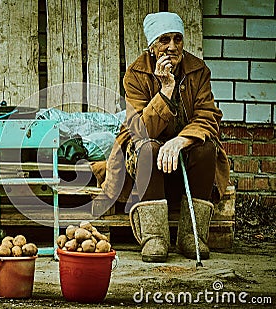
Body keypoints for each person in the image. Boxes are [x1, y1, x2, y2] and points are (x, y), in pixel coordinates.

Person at [91, 12, 230, 262]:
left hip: (184, 153)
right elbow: (141, 130)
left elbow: (208, 117)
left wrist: (181, 140)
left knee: (207, 148)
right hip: (147, 153)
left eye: (178, 39)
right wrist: (166, 90)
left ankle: (192, 235)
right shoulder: (136, 74)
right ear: (152, 47)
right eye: (165, 40)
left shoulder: (198, 71)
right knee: (148, 148)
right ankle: (154, 236)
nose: (172, 47)